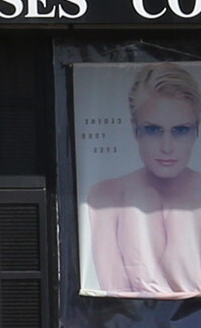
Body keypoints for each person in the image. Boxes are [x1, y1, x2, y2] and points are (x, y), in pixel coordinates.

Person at [85, 64, 201, 303]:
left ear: (196, 131)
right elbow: (115, 295)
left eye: (180, 130)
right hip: (126, 327)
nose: (167, 147)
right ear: (135, 130)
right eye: (153, 129)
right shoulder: (107, 195)